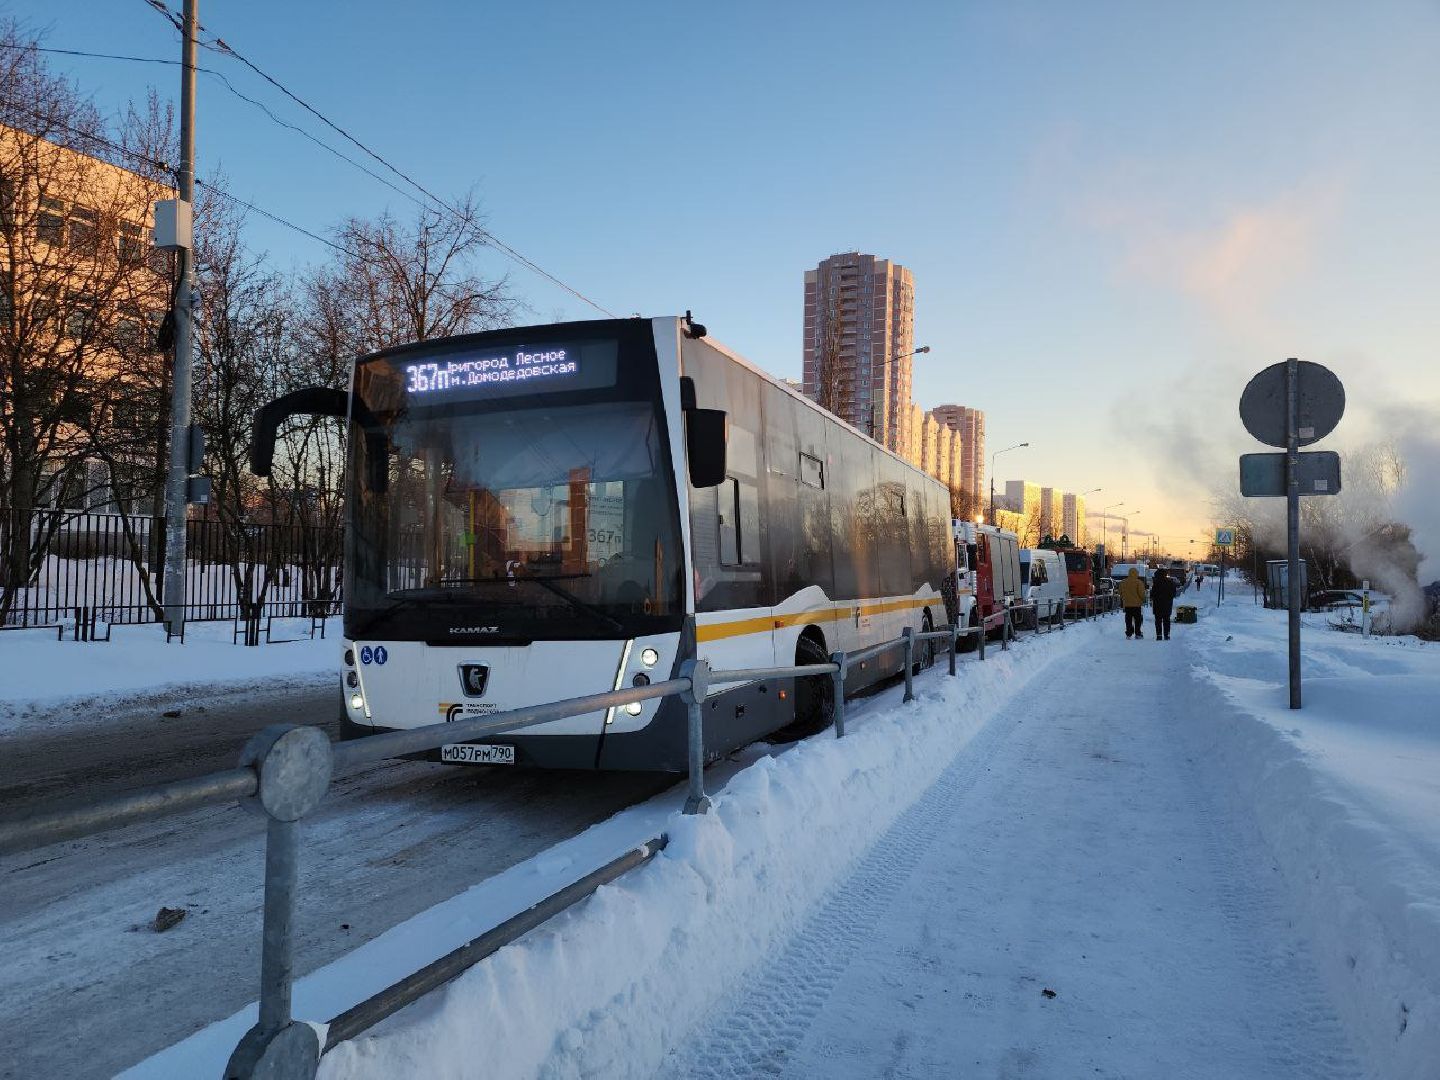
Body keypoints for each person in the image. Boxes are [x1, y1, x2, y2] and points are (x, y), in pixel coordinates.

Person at [1118, 566, 1148, 639]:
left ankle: (1128, 633)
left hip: (1127, 605)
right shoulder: (1139, 582)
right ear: (1136, 574)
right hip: (1137, 605)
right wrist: (1144, 599)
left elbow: (1120, 592)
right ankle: (1138, 633)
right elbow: (1141, 593)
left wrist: (1124, 599)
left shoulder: (1123, 582)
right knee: (1138, 620)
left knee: (1128, 619)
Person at [1151, 567, 1177, 640]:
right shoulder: (1170, 582)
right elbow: (1174, 594)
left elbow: (1152, 594)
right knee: (1167, 620)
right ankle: (1167, 635)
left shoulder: (1156, 583)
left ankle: (1159, 635)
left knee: (1158, 620)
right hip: (1167, 605)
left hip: (1157, 605)